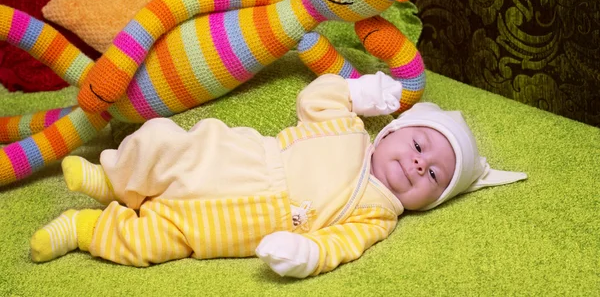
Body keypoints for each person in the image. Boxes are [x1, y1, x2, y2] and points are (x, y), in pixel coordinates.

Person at [30, 72, 527, 277]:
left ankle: (83, 230)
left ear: (429, 200)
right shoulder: (350, 130)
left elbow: (341, 245)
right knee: (162, 141)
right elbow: (313, 99)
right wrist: (356, 94)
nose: (420, 164)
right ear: (392, 130)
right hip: (237, 160)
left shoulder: (379, 215)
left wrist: (308, 253)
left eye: (435, 175)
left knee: (151, 243)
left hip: (235, 230)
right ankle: (111, 180)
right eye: (419, 145)